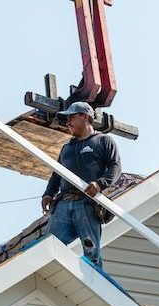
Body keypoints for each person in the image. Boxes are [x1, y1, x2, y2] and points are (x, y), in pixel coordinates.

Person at [40, 101, 122, 268]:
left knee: (91, 253)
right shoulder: (66, 149)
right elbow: (57, 173)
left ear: (85, 117)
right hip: (64, 203)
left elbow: (115, 166)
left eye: (71, 117)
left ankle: (97, 285)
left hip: (86, 203)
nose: (67, 122)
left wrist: (99, 184)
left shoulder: (103, 141)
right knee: (49, 246)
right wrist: (48, 193)